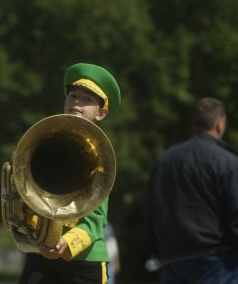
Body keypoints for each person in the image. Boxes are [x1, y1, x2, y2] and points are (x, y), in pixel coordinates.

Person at [19, 62, 121, 284]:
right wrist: (42, 238)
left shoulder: (99, 154)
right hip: (41, 256)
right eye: (73, 96)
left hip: (85, 263)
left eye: (87, 100)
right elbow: (27, 196)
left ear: (101, 113)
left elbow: (96, 220)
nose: (77, 103)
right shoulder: (44, 140)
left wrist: (66, 243)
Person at [144, 97, 238, 284]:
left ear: (193, 123)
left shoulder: (164, 161)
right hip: (218, 266)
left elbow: (150, 212)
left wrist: (155, 253)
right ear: (219, 124)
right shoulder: (228, 162)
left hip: (173, 265)